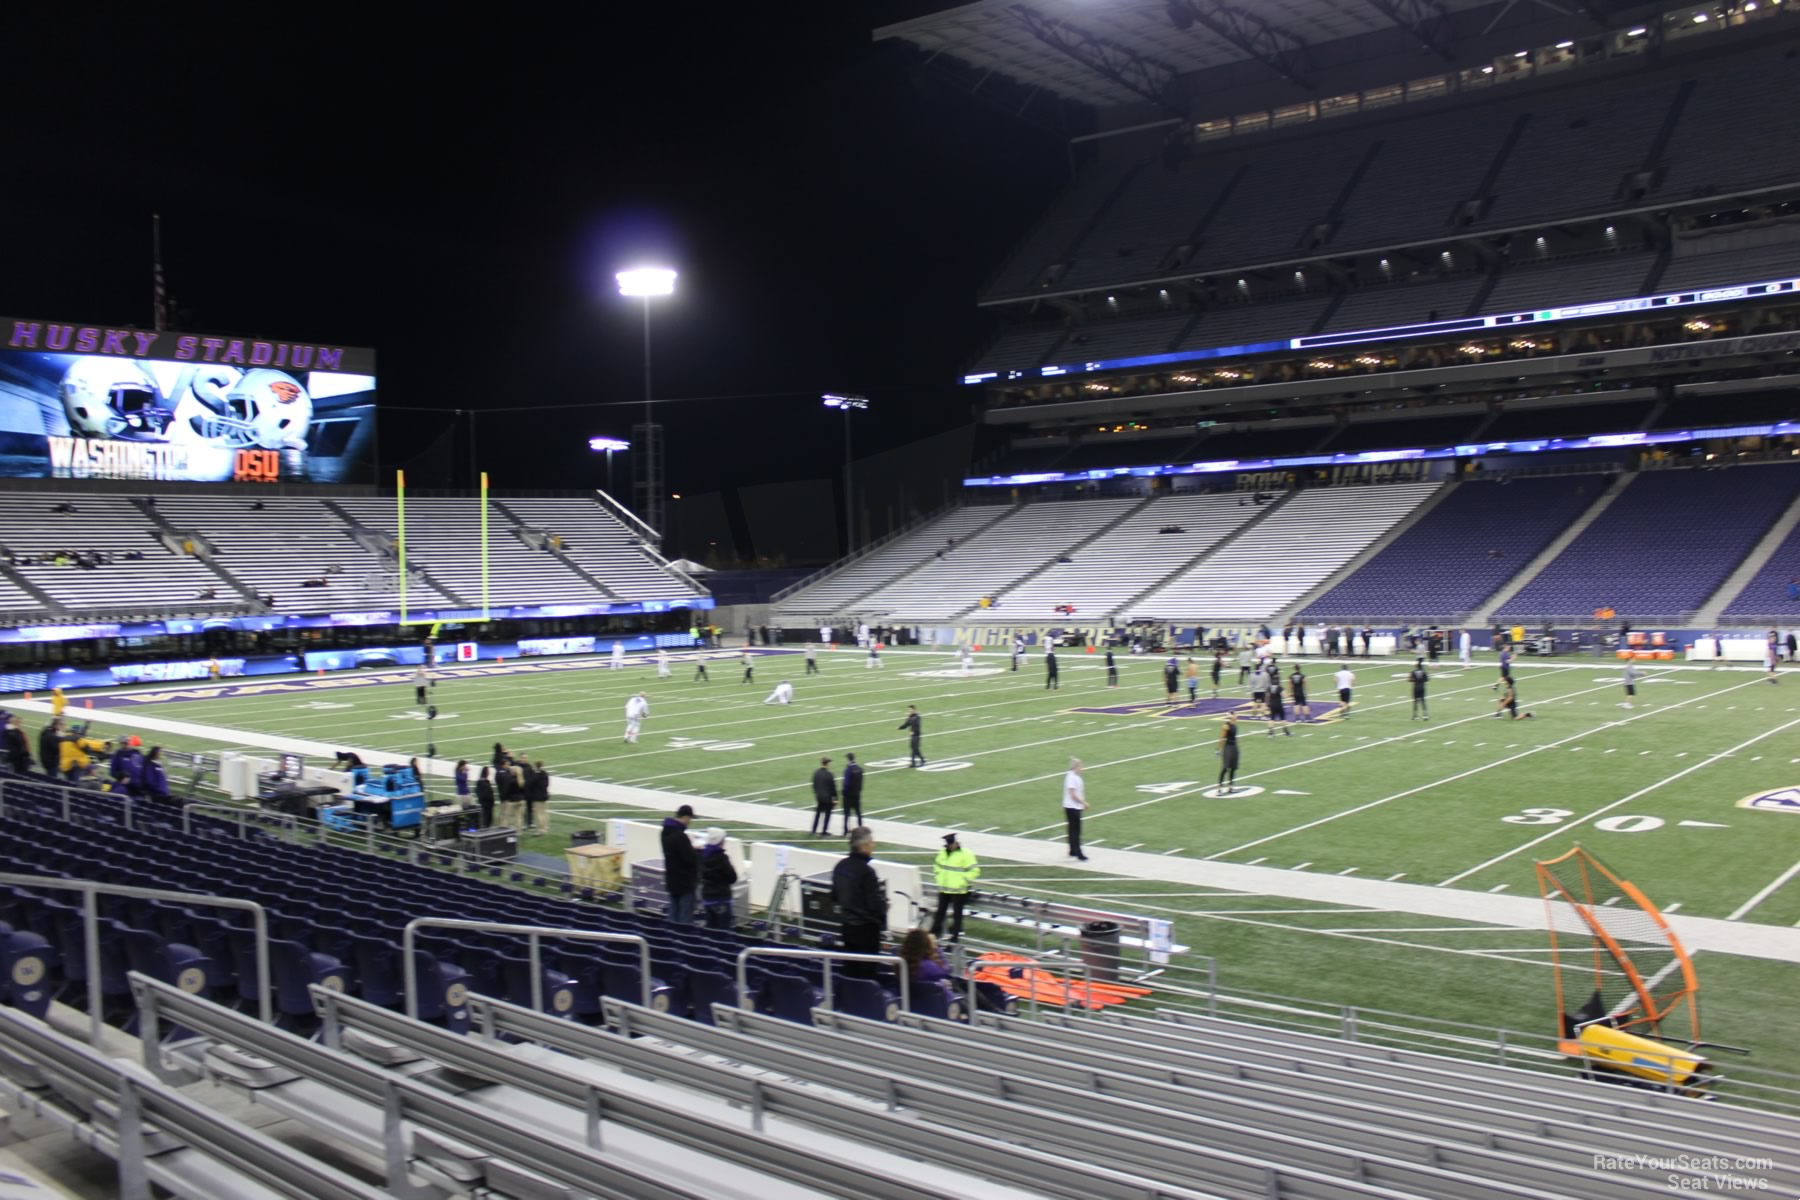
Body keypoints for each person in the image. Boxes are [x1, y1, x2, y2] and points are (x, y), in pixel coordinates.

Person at [832, 827, 885, 977]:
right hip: (866, 930)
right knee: (867, 973)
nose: (873, 845)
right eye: (871, 842)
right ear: (864, 845)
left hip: (847, 927)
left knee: (850, 970)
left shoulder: (840, 866)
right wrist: (884, 908)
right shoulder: (867, 872)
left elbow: (835, 896)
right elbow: (874, 905)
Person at [932, 832, 981, 943]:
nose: (951, 846)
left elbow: (975, 871)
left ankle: (954, 937)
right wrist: (939, 877)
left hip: (959, 890)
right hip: (944, 889)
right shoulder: (942, 853)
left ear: (956, 843)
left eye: (952, 844)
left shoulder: (966, 854)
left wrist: (963, 881)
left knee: (957, 915)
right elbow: (937, 866)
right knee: (940, 913)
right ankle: (933, 935)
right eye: (949, 845)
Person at [661, 804, 701, 924]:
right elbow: (689, 859)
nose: (690, 822)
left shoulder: (665, 832)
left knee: (673, 913)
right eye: (690, 819)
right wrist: (696, 853)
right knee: (685, 917)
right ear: (685, 817)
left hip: (672, 878)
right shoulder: (680, 836)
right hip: (684, 882)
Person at [898, 929, 955, 1009]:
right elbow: (946, 969)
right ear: (926, 945)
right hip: (940, 1008)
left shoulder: (902, 965)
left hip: (915, 1006)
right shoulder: (927, 966)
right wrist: (936, 948)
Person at [699, 828, 738, 930]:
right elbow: (732, 878)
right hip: (721, 898)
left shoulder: (702, 856)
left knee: (711, 930)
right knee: (723, 931)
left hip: (707, 898)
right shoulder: (722, 858)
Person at [1063, 757, 1088, 861]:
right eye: (1080, 766)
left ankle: (1072, 850)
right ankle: (1079, 853)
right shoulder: (1071, 777)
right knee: (1076, 831)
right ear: (1076, 767)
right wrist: (1083, 803)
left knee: (1072, 830)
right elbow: (1072, 794)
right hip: (1073, 807)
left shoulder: (1073, 776)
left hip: (1073, 807)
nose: (1082, 768)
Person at [810, 757, 838, 835]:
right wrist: (835, 798)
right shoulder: (829, 774)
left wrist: (817, 794)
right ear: (828, 764)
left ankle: (814, 829)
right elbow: (833, 787)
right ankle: (824, 831)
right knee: (827, 815)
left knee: (818, 814)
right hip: (827, 798)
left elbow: (814, 785)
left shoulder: (816, 773)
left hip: (819, 797)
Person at [840, 752, 864, 833]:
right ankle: (861, 828)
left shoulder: (848, 770)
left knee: (847, 813)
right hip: (857, 794)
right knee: (858, 812)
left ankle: (845, 830)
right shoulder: (860, 769)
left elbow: (846, 783)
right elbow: (861, 783)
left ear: (848, 759)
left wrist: (844, 792)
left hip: (848, 795)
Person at [1216, 713, 1240, 793]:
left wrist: (1237, 747)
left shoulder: (1235, 725)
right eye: (1235, 715)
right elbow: (1221, 738)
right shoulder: (1225, 726)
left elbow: (1235, 737)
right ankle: (1219, 788)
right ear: (1231, 717)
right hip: (1228, 747)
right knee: (1225, 768)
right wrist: (1218, 749)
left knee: (1233, 768)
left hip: (1234, 747)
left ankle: (1230, 787)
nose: (1236, 716)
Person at [1265, 669, 1291, 737]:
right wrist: (1288, 694)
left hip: (1272, 704)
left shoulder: (1269, 688)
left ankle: (1270, 733)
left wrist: (1267, 704)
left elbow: (1267, 696)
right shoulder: (1280, 688)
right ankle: (1286, 732)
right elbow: (1285, 696)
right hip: (1279, 704)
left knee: (1271, 718)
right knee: (1282, 718)